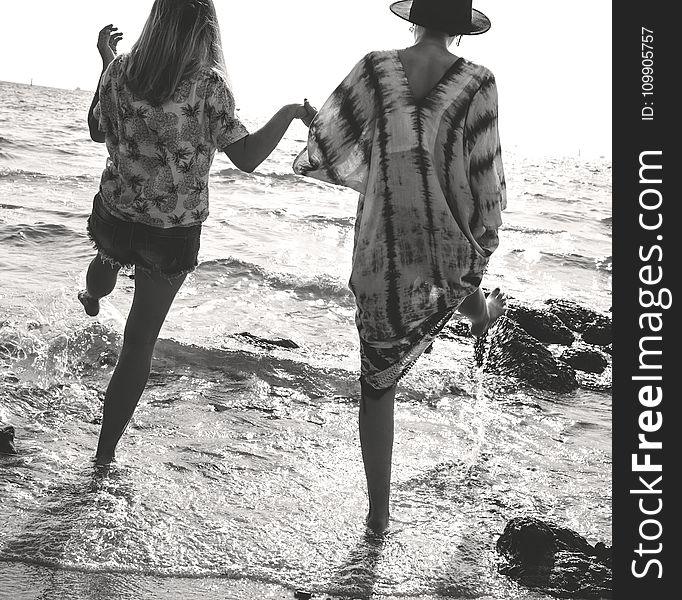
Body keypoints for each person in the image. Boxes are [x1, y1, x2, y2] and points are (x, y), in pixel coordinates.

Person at [293, 0, 507, 533]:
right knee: (457, 278)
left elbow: (328, 140)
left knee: (377, 383)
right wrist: (487, 233)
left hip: (380, 248)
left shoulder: (375, 66)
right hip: (445, 240)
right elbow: (485, 171)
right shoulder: (478, 82)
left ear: (415, 18)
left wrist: (318, 127)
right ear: (462, 28)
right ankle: (477, 309)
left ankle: (378, 515)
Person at [81, 0, 311, 466]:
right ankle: (103, 458)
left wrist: (107, 64)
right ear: (205, 28)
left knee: (105, 262)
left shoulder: (121, 70)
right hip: (169, 233)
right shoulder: (209, 84)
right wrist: (287, 113)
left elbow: (94, 130)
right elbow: (245, 157)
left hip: (116, 211)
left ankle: (93, 296)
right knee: (139, 341)